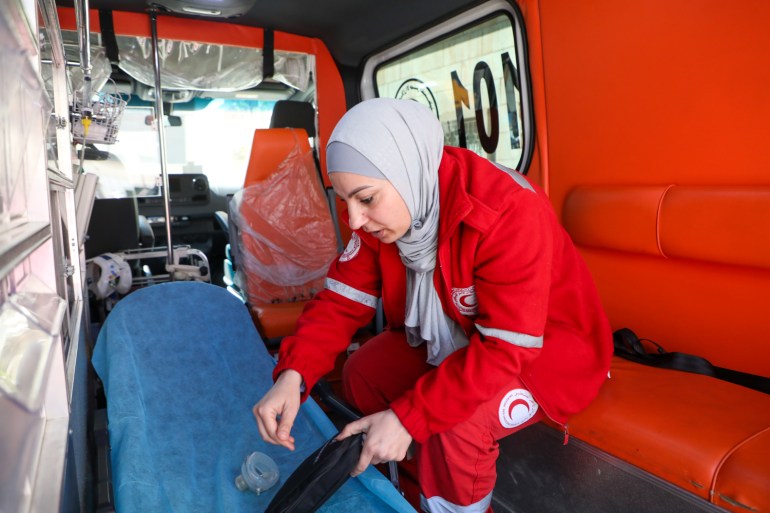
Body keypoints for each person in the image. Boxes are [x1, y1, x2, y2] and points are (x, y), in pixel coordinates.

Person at [253, 98, 613, 513]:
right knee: (363, 373)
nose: (354, 220)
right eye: (345, 201)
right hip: (463, 338)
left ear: (406, 172)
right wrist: (292, 375)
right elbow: (339, 301)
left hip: (546, 355)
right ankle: (409, 494)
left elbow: (506, 351)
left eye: (366, 199)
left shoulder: (509, 211)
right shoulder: (393, 205)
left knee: (457, 424)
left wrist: (409, 418)